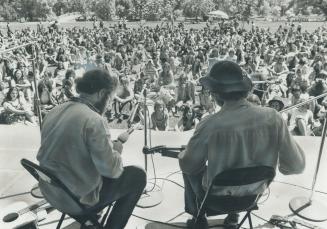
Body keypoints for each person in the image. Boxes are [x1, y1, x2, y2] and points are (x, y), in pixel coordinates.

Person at [178, 61, 306, 228]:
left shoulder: (209, 125)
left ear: (216, 94)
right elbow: (297, 166)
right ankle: (233, 217)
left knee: (188, 164)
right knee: (242, 168)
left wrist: (185, 154)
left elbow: (189, 166)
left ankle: (199, 216)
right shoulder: (273, 118)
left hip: (216, 200)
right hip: (252, 198)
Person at [37, 69, 146, 229]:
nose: (108, 105)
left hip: (50, 191)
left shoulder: (54, 111)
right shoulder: (94, 120)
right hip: (75, 200)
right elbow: (112, 171)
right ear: (102, 93)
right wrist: (116, 149)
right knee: (138, 176)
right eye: (109, 99)